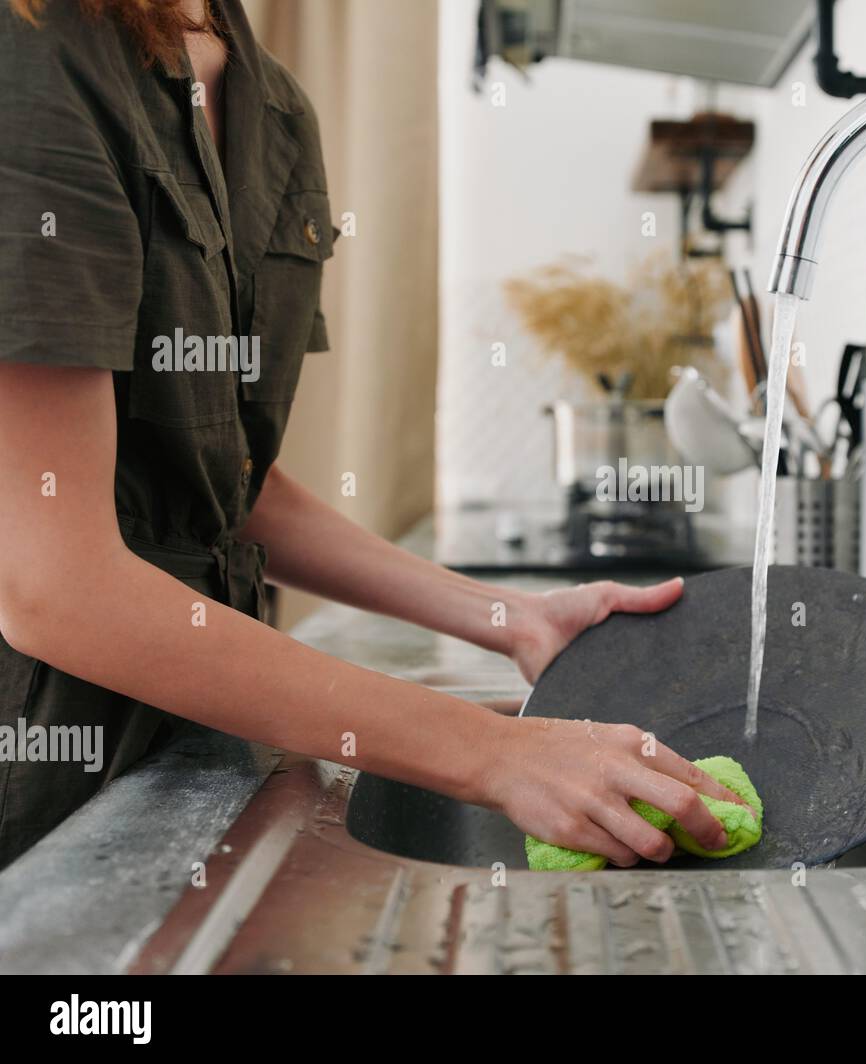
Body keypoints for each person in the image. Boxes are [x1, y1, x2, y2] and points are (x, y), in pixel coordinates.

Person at [0, 0, 742, 870]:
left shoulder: (270, 104)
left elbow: (230, 486)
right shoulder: (32, 61)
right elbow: (56, 587)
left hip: (189, 758)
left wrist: (509, 618)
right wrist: (494, 751)